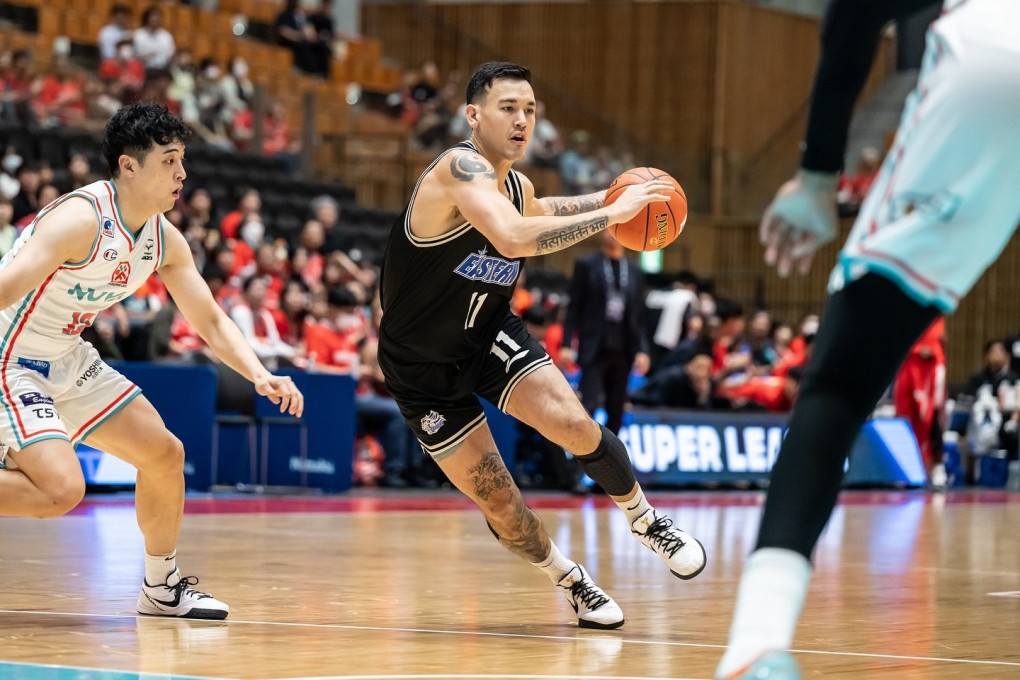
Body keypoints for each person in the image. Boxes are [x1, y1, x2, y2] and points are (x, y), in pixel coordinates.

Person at [715, 1, 1020, 677]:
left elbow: (852, 13)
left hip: (995, 55)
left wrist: (820, 173)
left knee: (839, 388)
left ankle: (757, 644)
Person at [378, 61, 707, 630]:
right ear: (473, 114)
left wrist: (609, 195)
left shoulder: (516, 185)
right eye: (508, 108)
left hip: (489, 336)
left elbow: (538, 212)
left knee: (575, 425)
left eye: (530, 110)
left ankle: (645, 519)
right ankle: (569, 579)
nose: (522, 120)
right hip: (421, 370)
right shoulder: (456, 168)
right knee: (504, 506)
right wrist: (613, 212)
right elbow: (510, 234)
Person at [0, 102, 304, 621]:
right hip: (12, 358)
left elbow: (209, 321)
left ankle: (161, 588)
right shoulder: (80, 220)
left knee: (164, 454)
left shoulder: (163, 239)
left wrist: (259, 373)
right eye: (169, 160)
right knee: (61, 489)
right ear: (128, 166)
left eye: (182, 158)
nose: (182, 172)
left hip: (69, 359)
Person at [562, 230, 650, 437]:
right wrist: (566, 344)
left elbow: (639, 317)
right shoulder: (586, 264)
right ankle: (578, 463)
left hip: (623, 349)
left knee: (616, 411)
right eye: (610, 230)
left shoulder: (635, 270)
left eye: (618, 231)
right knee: (589, 405)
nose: (613, 236)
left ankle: (608, 463)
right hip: (594, 346)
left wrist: (643, 350)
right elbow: (573, 307)